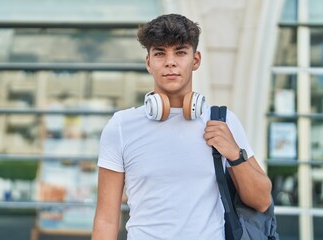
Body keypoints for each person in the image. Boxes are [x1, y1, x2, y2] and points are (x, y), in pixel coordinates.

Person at [92, 13, 272, 240]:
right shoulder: (121, 126)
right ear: (148, 62)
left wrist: (235, 155)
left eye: (180, 52)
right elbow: (106, 218)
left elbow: (262, 201)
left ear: (195, 60)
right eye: (160, 53)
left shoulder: (222, 121)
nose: (170, 62)